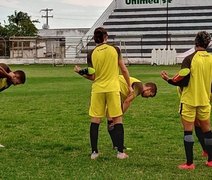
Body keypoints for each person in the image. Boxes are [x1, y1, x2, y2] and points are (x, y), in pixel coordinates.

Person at [75, 27, 133, 160]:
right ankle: (120, 152)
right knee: (117, 119)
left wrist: (80, 72)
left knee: (95, 120)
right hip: (113, 88)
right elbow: (123, 69)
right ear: (106, 36)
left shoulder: (91, 53)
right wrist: (129, 85)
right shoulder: (115, 49)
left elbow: (93, 76)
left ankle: (94, 152)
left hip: (97, 89)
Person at [161, 31, 212, 169]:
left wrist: (168, 79)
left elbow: (182, 81)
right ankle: (210, 161)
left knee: (188, 131)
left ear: (195, 42)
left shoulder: (189, 59)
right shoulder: (211, 59)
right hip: (204, 100)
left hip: (189, 100)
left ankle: (189, 163)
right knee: (207, 131)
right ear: (207, 44)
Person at [107, 75, 157, 149]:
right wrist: (119, 115)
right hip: (113, 88)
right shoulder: (139, 87)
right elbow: (127, 101)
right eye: (149, 95)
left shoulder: (136, 83)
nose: (147, 97)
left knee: (110, 120)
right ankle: (119, 146)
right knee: (116, 121)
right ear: (149, 89)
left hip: (110, 87)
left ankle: (116, 145)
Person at [0, 63, 26, 147]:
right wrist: (8, 75)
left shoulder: (9, 83)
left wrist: (8, 77)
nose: (16, 85)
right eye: (18, 83)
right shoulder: (6, 68)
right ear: (15, 76)